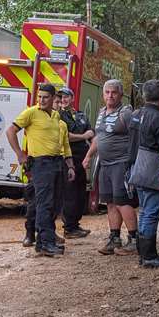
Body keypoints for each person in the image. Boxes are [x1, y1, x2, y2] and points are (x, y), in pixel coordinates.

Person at [7, 83, 75, 257]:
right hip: (41, 164)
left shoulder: (56, 117)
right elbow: (10, 131)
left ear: (53, 99)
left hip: (57, 163)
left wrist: (69, 165)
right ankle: (44, 243)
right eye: (39, 97)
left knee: (55, 204)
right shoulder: (31, 112)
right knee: (43, 204)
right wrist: (20, 154)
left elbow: (65, 145)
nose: (42, 100)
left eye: (46, 97)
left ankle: (46, 240)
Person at [83, 79, 139, 255]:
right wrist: (88, 156)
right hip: (105, 164)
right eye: (107, 92)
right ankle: (114, 239)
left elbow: (137, 136)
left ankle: (135, 240)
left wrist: (135, 161)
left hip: (121, 164)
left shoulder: (126, 113)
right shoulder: (102, 112)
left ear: (121, 95)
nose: (110, 96)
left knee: (123, 202)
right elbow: (99, 137)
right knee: (110, 202)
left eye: (114, 92)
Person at [127, 79, 159, 268]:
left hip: (137, 166)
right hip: (153, 168)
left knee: (145, 211)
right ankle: (149, 256)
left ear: (144, 95)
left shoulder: (137, 114)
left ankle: (143, 254)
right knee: (151, 212)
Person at [57, 87, 93, 239]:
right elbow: (66, 137)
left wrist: (88, 139)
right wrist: (83, 135)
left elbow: (91, 133)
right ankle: (69, 227)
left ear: (72, 98)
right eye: (61, 98)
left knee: (80, 192)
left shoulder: (81, 115)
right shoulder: (57, 116)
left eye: (66, 97)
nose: (63, 100)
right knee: (70, 193)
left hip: (82, 159)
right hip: (67, 158)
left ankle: (75, 224)